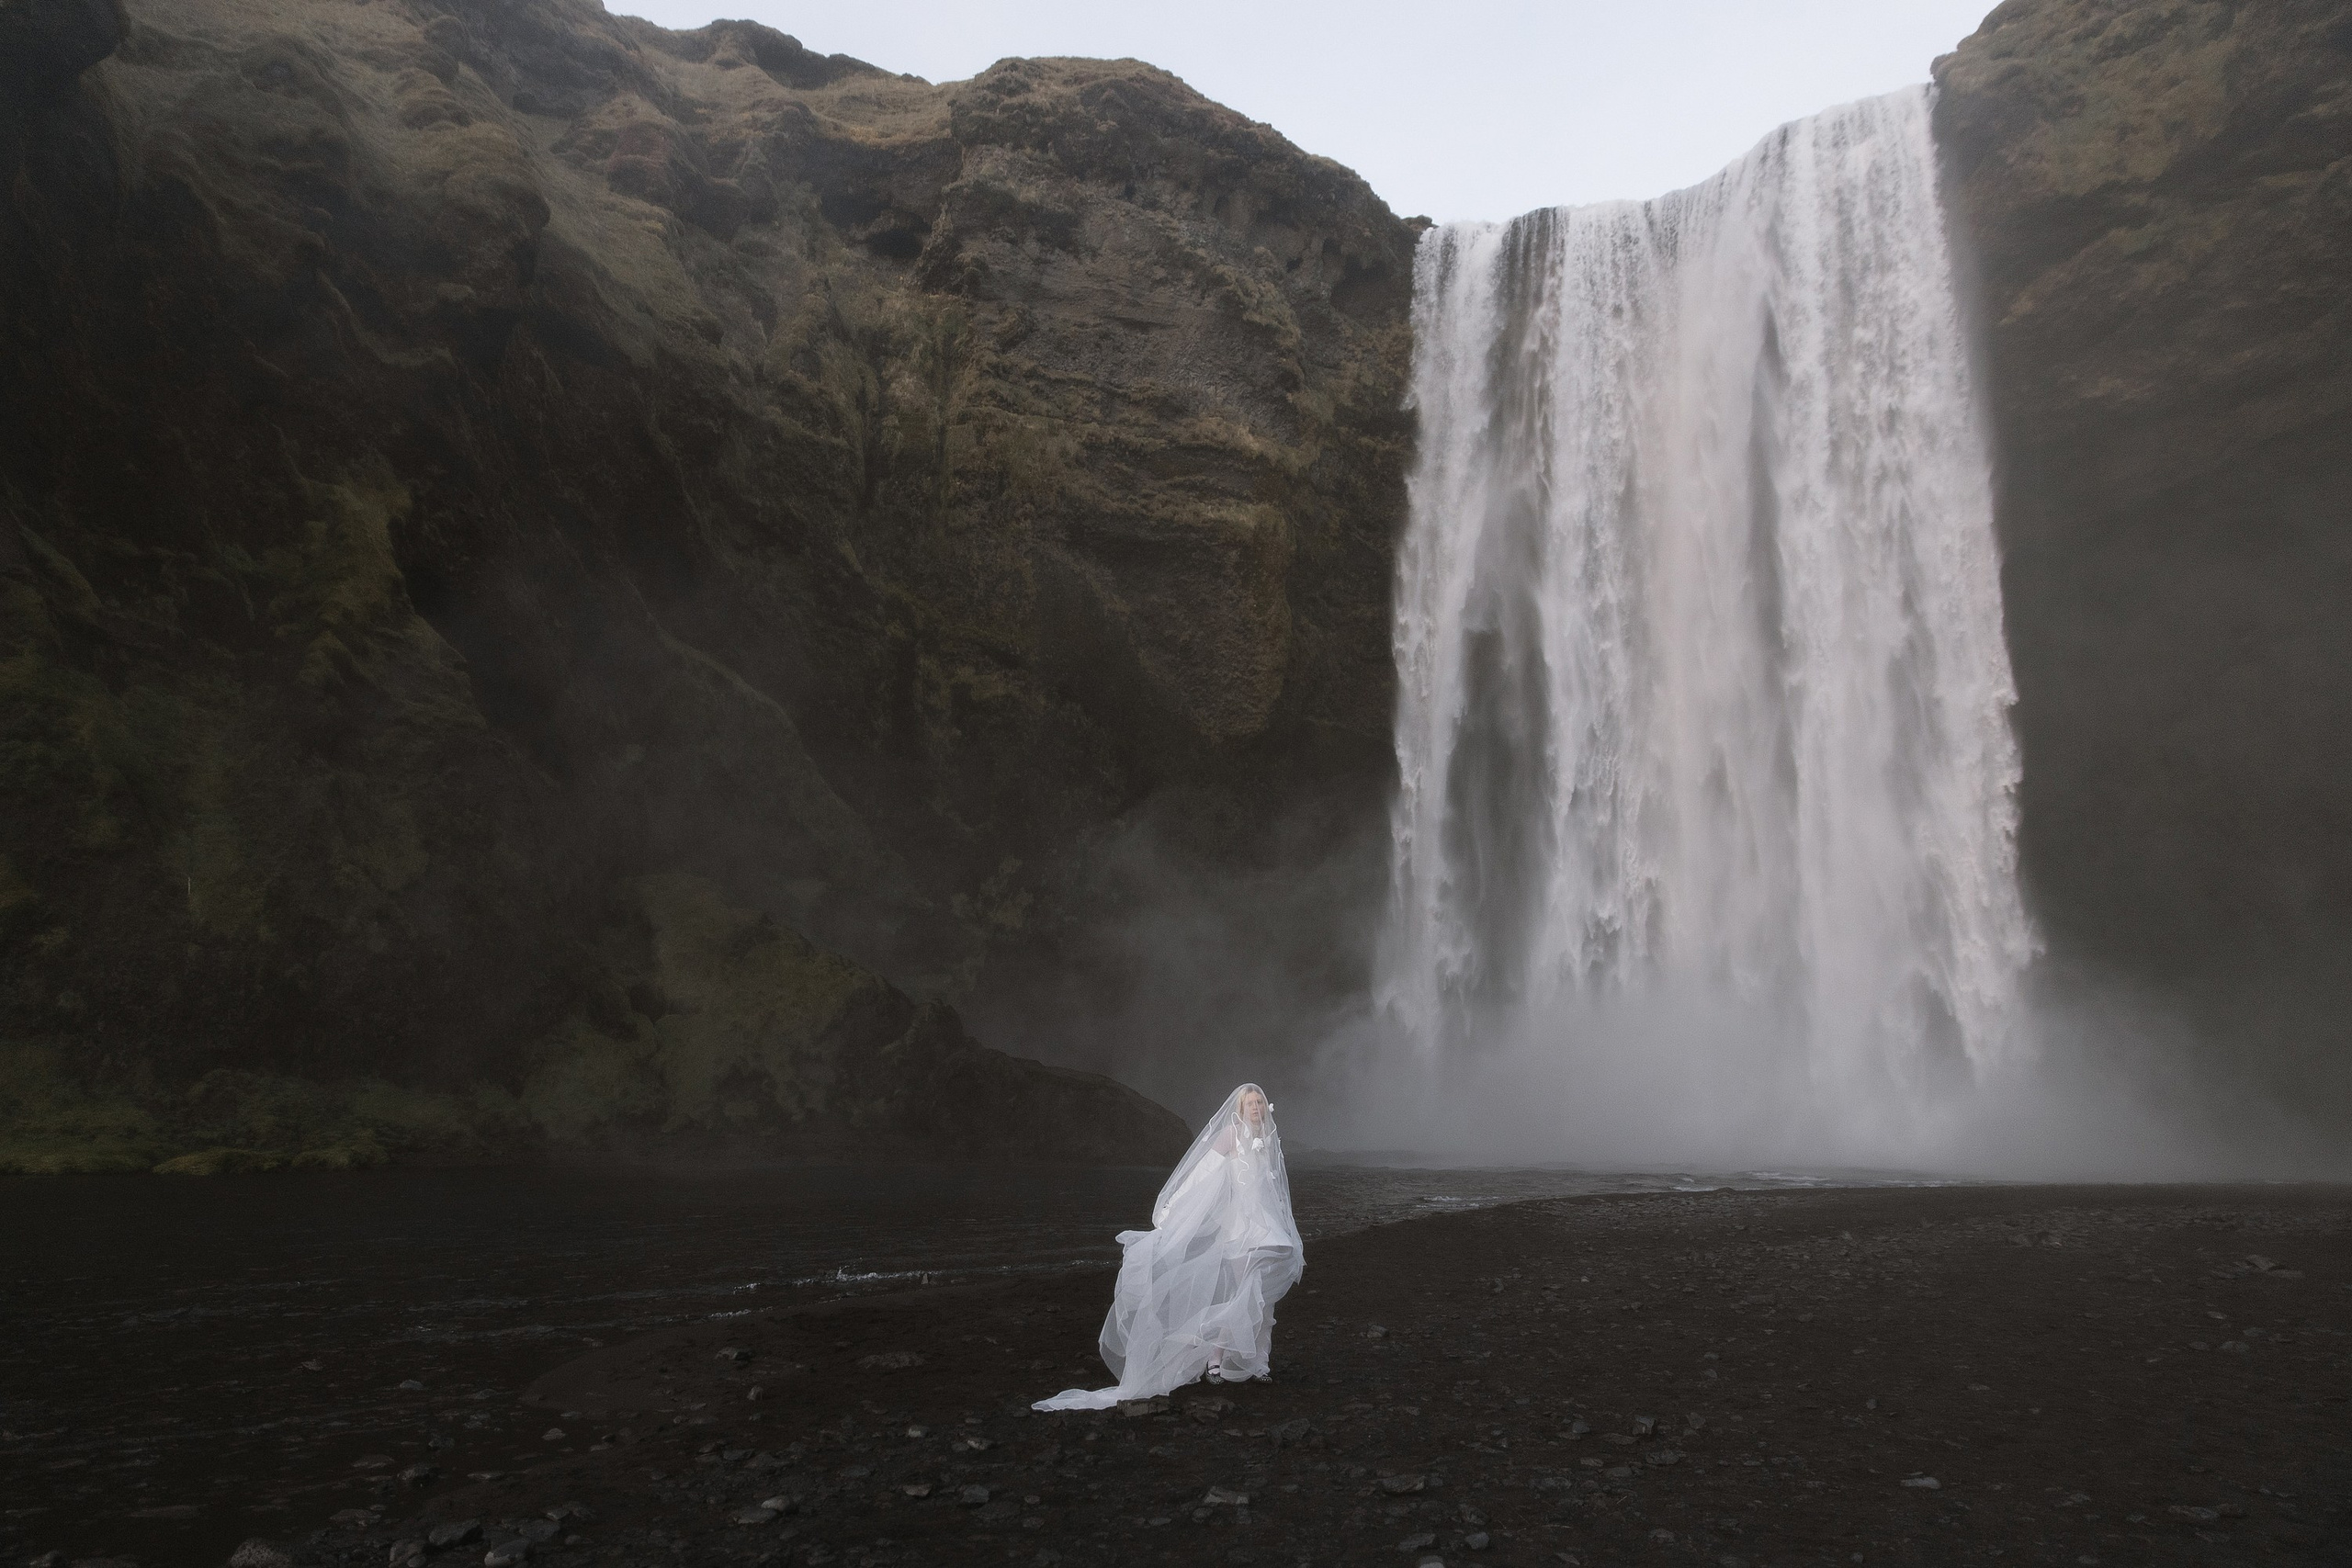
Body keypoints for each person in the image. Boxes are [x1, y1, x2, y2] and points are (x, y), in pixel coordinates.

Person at [1034, 1083, 1303, 1411]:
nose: (1257, 1108)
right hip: (1241, 1231)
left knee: (1265, 1299)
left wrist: (1289, 1228)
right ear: (1240, 1109)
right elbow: (1201, 1175)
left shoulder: (1269, 1141)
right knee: (1240, 1295)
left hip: (1269, 1230)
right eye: (1250, 1104)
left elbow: (1276, 1191)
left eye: (1260, 1102)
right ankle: (1215, 1359)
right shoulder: (1230, 1136)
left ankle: (1260, 1363)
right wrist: (1173, 1208)